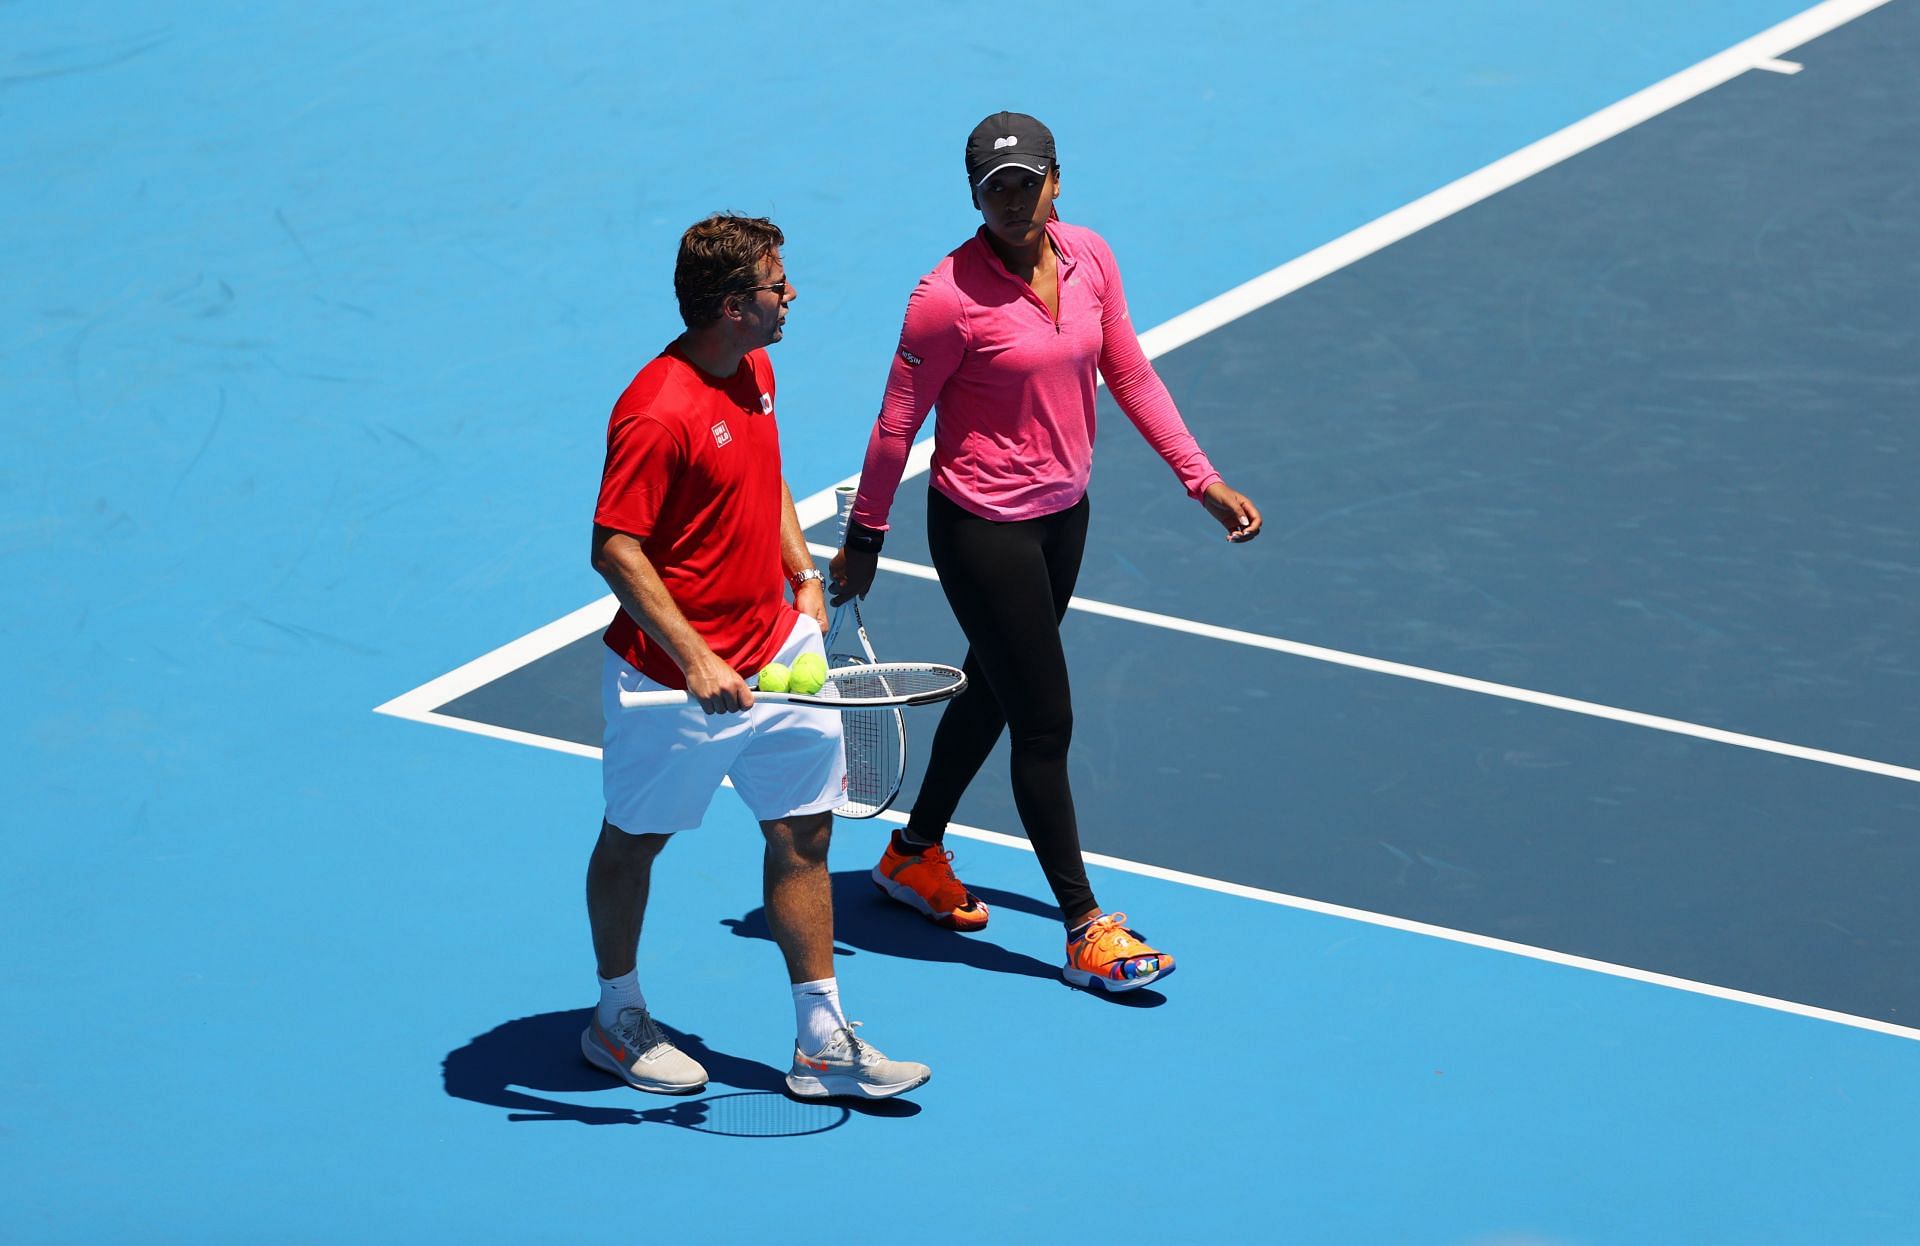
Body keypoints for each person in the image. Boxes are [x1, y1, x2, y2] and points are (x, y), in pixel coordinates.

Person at [831, 113, 1262, 993]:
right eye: (997, 189)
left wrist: (1200, 479)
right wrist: (865, 538)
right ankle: (1084, 928)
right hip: (980, 528)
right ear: (975, 197)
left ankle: (912, 855)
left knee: (993, 691)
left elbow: (1130, 371)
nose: (1015, 201)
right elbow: (895, 426)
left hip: (1064, 516)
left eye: (1028, 183)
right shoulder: (944, 298)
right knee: (1045, 720)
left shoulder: (1091, 258)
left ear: (1058, 181)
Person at [585, 213, 929, 1100]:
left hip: (779, 655)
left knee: (803, 835)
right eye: (780, 285)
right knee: (635, 842)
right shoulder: (656, 412)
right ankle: (616, 1018)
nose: (793, 296)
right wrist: (697, 659)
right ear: (735, 305)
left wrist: (800, 570)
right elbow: (616, 548)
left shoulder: (754, 367)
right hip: (678, 681)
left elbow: (764, 470)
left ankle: (820, 1044)